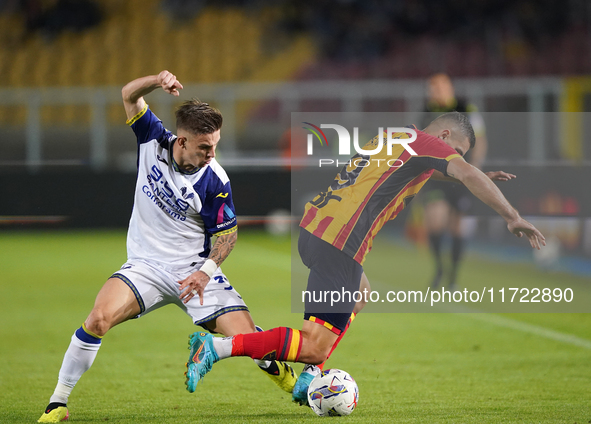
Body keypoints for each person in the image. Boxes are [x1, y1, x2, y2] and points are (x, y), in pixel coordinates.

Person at [182, 112, 545, 401]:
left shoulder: (400, 136)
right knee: (311, 345)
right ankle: (217, 347)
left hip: (316, 230)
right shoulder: (427, 144)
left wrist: (469, 174)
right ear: (445, 138)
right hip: (340, 242)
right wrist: (511, 214)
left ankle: (310, 375)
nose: (455, 160)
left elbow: (430, 171)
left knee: (360, 294)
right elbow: (461, 171)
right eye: (458, 153)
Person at [38, 70, 297, 423]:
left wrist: (205, 273)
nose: (211, 153)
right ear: (182, 140)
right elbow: (129, 94)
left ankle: (290, 380)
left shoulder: (215, 179)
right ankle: (57, 403)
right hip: (145, 267)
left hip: (195, 273)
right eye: (204, 146)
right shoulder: (152, 138)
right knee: (98, 319)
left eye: (215, 145)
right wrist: (156, 81)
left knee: (249, 339)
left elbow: (228, 235)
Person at [421, 73, 488, 290]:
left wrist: (474, 170)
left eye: (437, 88)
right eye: (431, 89)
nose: (433, 93)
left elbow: (480, 140)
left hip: (461, 175)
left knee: (459, 228)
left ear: (448, 88)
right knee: (435, 219)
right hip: (437, 175)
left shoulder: (466, 108)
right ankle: (439, 268)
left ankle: (453, 276)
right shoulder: (427, 110)